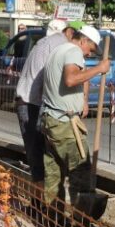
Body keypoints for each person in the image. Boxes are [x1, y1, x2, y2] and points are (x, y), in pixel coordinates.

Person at [40, 25, 110, 221]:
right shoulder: (73, 51)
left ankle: (52, 221)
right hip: (64, 123)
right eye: (91, 48)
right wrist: (99, 69)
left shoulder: (58, 50)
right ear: (84, 40)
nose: (89, 53)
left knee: (54, 174)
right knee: (81, 173)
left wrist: (84, 100)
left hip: (50, 119)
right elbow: (71, 78)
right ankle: (80, 225)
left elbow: (75, 77)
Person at [14, 19, 76, 204]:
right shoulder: (61, 46)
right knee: (40, 159)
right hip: (31, 103)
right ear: (70, 32)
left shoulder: (47, 42)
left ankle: (40, 206)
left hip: (28, 101)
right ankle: (40, 208)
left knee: (39, 158)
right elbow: (57, 80)